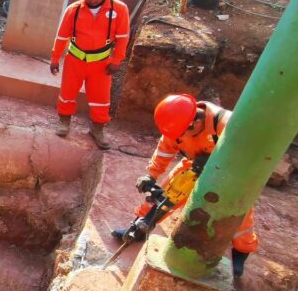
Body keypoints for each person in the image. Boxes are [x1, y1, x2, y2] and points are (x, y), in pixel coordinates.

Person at [111, 93, 259, 278]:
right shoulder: (177, 126)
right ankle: (139, 228)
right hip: (192, 166)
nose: (177, 139)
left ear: (195, 123)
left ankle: (241, 252)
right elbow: (165, 150)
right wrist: (151, 175)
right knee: (163, 196)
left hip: (229, 174)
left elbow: (248, 155)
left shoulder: (227, 124)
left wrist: (216, 161)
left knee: (239, 215)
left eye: (181, 136)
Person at [49, 0, 130, 150]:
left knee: (101, 98)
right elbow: (62, 36)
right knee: (67, 93)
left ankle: (97, 129)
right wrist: (55, 58)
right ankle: (64, 121)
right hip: (75, 60)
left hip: (101, 64)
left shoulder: (119, 9)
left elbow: (123, 37)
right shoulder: (74, 10)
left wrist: (117, 60)